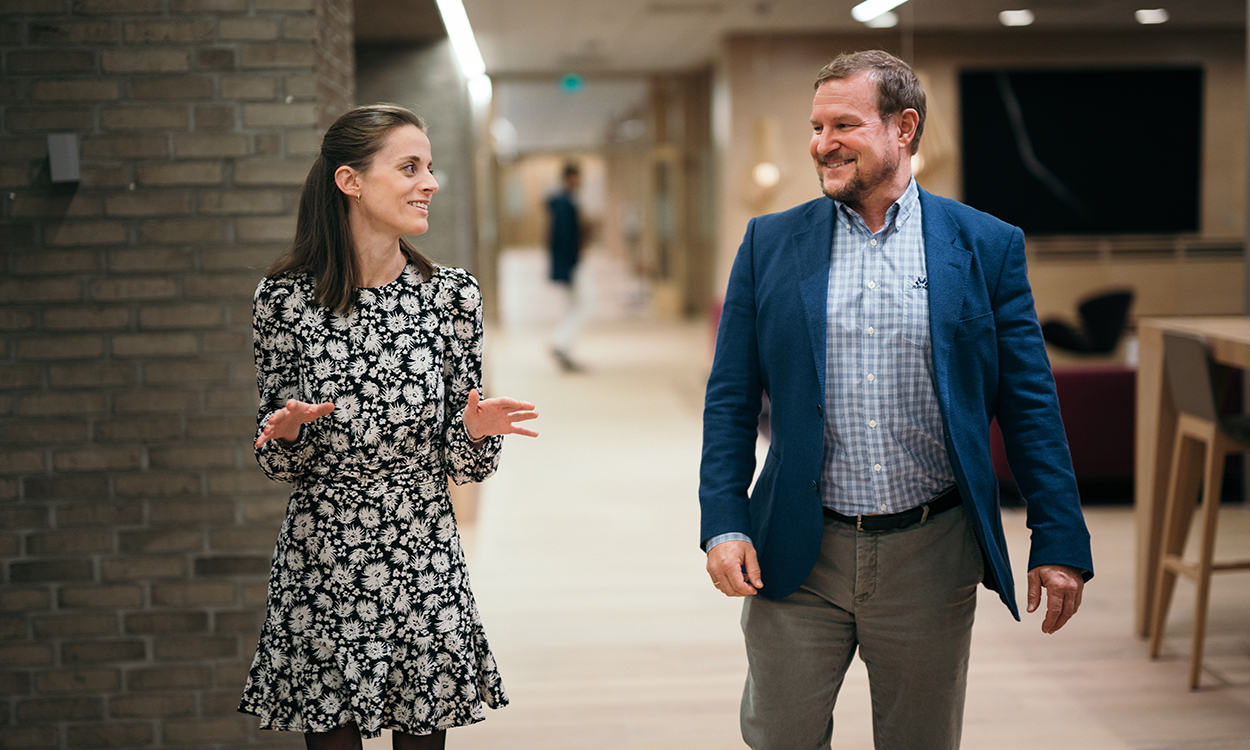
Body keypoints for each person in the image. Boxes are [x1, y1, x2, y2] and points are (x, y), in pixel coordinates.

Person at [699, 51, 1093, 750]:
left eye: (843, 124)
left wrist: (1059, 537)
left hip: (932, 553)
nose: (822, 143)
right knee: (778, 736)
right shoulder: (770, 243)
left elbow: (1029, 402)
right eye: (816, 126)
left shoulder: (985, 246)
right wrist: (724, 520)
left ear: (903, 128)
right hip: (797, 546)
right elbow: (731, 398)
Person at [237, 104, 538, 750]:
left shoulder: (451, 297)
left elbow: (462, 464)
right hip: (322, 558)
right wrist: (286, 434)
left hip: (421, 547)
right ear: (350, 181)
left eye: (429, 167)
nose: (429, 182)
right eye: (409, 167)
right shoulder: (284, 301)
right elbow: (275, 463)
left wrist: (477, 430)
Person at [547, 162, 588, 371]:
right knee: (585, 303)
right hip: (571, 263)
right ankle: (560, 343)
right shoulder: (564, 203)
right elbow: (563, 238)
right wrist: (569, 265)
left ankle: (561, 342)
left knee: (578, 303)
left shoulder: (566, 201)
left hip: (571, 262)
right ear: (570, 177)